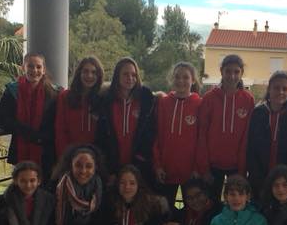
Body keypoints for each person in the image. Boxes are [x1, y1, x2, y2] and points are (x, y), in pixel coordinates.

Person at [197, 54, 255, 199]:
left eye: (236, 72)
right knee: (211, 206)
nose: (232, 76)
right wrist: (204, 169)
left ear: (242, 73)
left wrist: (242, 170)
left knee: (235, 205)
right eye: (228, 71)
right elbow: (202, 134)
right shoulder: (209, 98)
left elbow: (246, 136)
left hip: (236, 166)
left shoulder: (248, 99)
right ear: (221, 71)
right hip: (212, 166)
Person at [95, 57, 157, 186]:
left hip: (138, 165)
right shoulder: (106, 101)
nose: (130, 78)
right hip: (112, 165)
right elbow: (101, 137)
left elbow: (150, 134)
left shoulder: (145, 100)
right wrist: (107, 168)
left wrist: (141, 160)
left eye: (134, 74)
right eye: (125, 74)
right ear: (117, 75)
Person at [246, 71, 287, 198]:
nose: (281, 92)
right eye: (276, 88)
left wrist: (285, 179)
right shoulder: (258, 114)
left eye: (285, 89)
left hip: (286, 181)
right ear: (269, 90)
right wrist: (256, 175)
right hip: (259, 178)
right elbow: (251, 147)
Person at [48, 145, 106, 225]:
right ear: (71, 165)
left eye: (89, 166)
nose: (83, 171)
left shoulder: (98, 188)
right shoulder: (57, 186)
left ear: (95, 167)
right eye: (78, 165)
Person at [0, 51, 57, 173]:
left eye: (38, 67)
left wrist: (40, 137)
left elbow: (56, 123)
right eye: (30, 66)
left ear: (44, 70)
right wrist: (27, 132)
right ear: (23, 68)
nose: (34, 70)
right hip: (20, 150)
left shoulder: (54, 94)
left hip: (45, 152)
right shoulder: (12, 91)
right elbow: (0, 120)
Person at [152, 61, 202, 206]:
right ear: (172, 79)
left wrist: (197, 168)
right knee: (168, 211)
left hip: (190, 173)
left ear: (193, 80)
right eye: (177, 77)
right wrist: (157, 165)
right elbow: (157, 137)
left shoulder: (199, 104)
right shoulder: (163, 103)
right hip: (166, 171)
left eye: (186, 77)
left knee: (187, 212)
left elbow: (201, 140)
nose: (181, 81)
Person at [48, 56, 104, 175]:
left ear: (99, 75)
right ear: (79, 73)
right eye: (85, 71)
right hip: (69, 157)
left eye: (94, 72)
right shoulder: (65, 97)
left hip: (94, 159)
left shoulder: (103, 99)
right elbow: (60, 129)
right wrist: (64, 156)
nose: (89, 76)